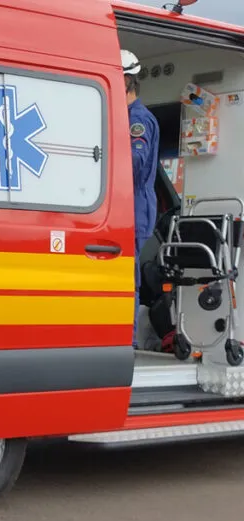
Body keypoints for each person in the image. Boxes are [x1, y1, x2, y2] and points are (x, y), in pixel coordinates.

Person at [123, 49, 159, 349]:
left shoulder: (138, 120)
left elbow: (135, 163)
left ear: (127, 80)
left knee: (126, 277)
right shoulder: (124, 116)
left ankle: (129, 342)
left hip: (134, 209)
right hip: (128, 207)